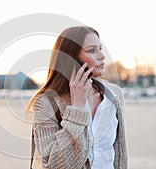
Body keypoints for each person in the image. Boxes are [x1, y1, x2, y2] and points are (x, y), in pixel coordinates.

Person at [27, 26, 128, 169]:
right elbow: (54, 165)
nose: (102, 56)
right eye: (92, 50)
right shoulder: (45, 103)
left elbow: (120, 155)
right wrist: (77, 109)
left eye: (100, 48)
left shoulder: (114, 94)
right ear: (71, 58)